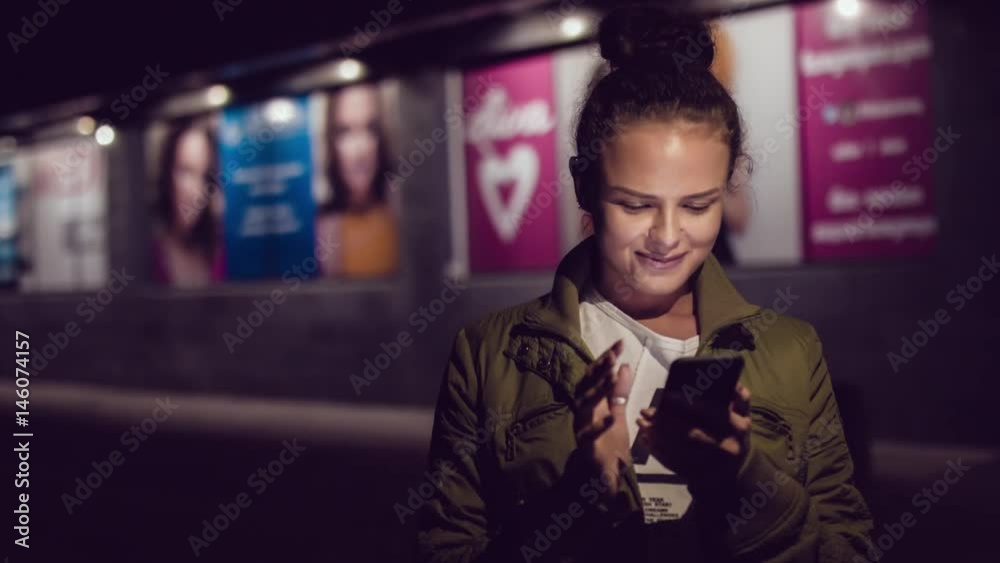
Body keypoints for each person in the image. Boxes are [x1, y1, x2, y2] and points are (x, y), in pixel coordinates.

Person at [417, 6, 873, 563]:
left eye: (698, 205)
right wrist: (584, 491)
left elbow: (848, 550)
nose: (667, 236)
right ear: (585, 187)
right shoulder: (490, 355)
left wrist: (744, 480)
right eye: (635, 204)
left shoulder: (791, 351)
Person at [315, 83, 399, 278]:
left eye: (371, 129)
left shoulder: (403, 220)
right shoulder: (317, 228)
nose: (360, 151)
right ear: (330, 140)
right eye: (345, 131)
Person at [152, 118, 225, 286]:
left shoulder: (223, 252)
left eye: (205, 176)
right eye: (186, 172)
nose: (197, 191)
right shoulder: (146, 256)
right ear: (167, 175)